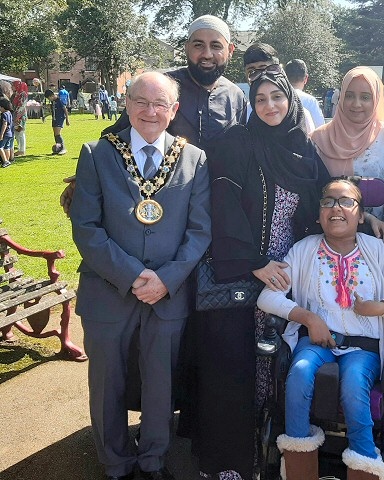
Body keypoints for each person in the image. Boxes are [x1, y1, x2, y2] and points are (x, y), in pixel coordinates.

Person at [181, 67, 328, 480]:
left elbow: (326, 196)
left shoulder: (301, 147)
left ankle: (274, 456)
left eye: (277, 98)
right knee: (233, 369)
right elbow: (223, 205)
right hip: (241, 272)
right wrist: (255, 261)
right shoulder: (236, 142)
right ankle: (229, 464)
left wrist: (367, 220)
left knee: (277, 367)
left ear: (291, 100)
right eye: (260, 99)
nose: (269, 106)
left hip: (287, 275)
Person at [69, 71, 211, 480]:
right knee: (107, 381)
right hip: (107, 290)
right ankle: (115, 464)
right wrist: (133, 276)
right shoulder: (96, 153)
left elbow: (199, 231)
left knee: (160, 383)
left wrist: (166, 279)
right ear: (126, 104)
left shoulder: (193, 158)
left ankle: (152, 462)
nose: (150, 111)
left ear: (174, 110)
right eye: (140, 102)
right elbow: (87, 228)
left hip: (169, 292)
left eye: (159, 104)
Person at [257, 178, 384, 480]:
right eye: (328, 202)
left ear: (361, 215)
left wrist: (379, 308)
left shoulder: (377, 251)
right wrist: (308, 318)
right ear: (318, 215)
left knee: (355, 384)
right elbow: (268, 296)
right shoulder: (304, 250)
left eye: (346, 202)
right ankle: (299, 471)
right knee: (301, 372)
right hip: (315, 342)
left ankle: (365, 465)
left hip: (363, 347)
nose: (336, 208)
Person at [59, 14, 246, 214]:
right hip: (162, 204)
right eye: (199, 45)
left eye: (216, 46)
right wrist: (86, 178)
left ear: (230, 50)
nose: (207, 54)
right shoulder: (161, 86)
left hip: (219, 205)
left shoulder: (236, 96)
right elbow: (115, 137)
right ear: (186, 47)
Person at [312, 66, 384, 222]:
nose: (356, 104)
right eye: (349, 96)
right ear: (341, 97)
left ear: (376, 99)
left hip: (378, 235)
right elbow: (314, 193)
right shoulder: (318, 139)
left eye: (365, 97)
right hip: (329, 233)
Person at [284, 59, 325, 129]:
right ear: (306, 78)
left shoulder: (278, 99)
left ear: (285, 77)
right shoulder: (310, 101)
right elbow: (320, 127)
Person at [44, 88, 70, 155]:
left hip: (60, 118)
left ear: (51, 96)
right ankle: (58, 148)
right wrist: (45, 116)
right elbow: (52, 111)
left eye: (49, 98)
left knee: (58, 134)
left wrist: (67, 119)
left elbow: (65, 110)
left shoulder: (59, 100)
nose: (49, 100)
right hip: (54, 118)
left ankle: (63, 148)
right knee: (55, 134)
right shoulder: (53, 102)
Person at [11, 80, 28, 156]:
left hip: (21, 116)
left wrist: (17, 116)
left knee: (20, 133)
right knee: (17, 133)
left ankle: (22, 150)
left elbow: (22, 106)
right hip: (16, 115)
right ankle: (19, 149)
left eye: (13, 86)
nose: (12, 87)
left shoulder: (23, 94)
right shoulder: (17, 94)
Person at [0, 97, 14, 167]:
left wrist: (1, 134)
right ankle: (7, 160)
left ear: (3, 107)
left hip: (5, 134)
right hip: (10, 133)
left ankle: (5, 161)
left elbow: (4, 124)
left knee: (0, 147)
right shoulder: (9, 113)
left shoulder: (4, 114)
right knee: (7, 147)